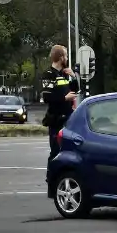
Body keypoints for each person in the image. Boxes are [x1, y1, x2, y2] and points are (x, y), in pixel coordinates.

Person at [41, 44, 79, 178]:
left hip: (68, 119)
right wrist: (64, 98)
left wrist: (73, 77)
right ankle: (51, 178)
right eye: (66, 55)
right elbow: (47, 97)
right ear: (61, 57)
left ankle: (63, 177)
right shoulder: (49, 75)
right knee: (55, 150)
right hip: (56, 119)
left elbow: (75, 91)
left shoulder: (63, 74)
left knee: (67, 150)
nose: (67, 58)